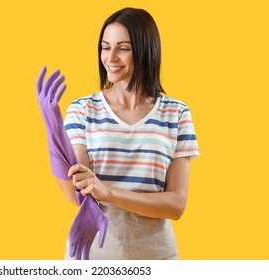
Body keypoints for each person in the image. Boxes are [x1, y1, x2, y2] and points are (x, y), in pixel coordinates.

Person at [38, 7, 199, 260]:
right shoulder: (83, 110)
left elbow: (176, 205)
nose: (110, 57)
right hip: (92, 256)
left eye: (123, 48)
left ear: (145, 50)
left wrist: (108, 193)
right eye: (105, 47)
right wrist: (54, 131)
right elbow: (76, 193)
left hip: (156, 258)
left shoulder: (176, 114)